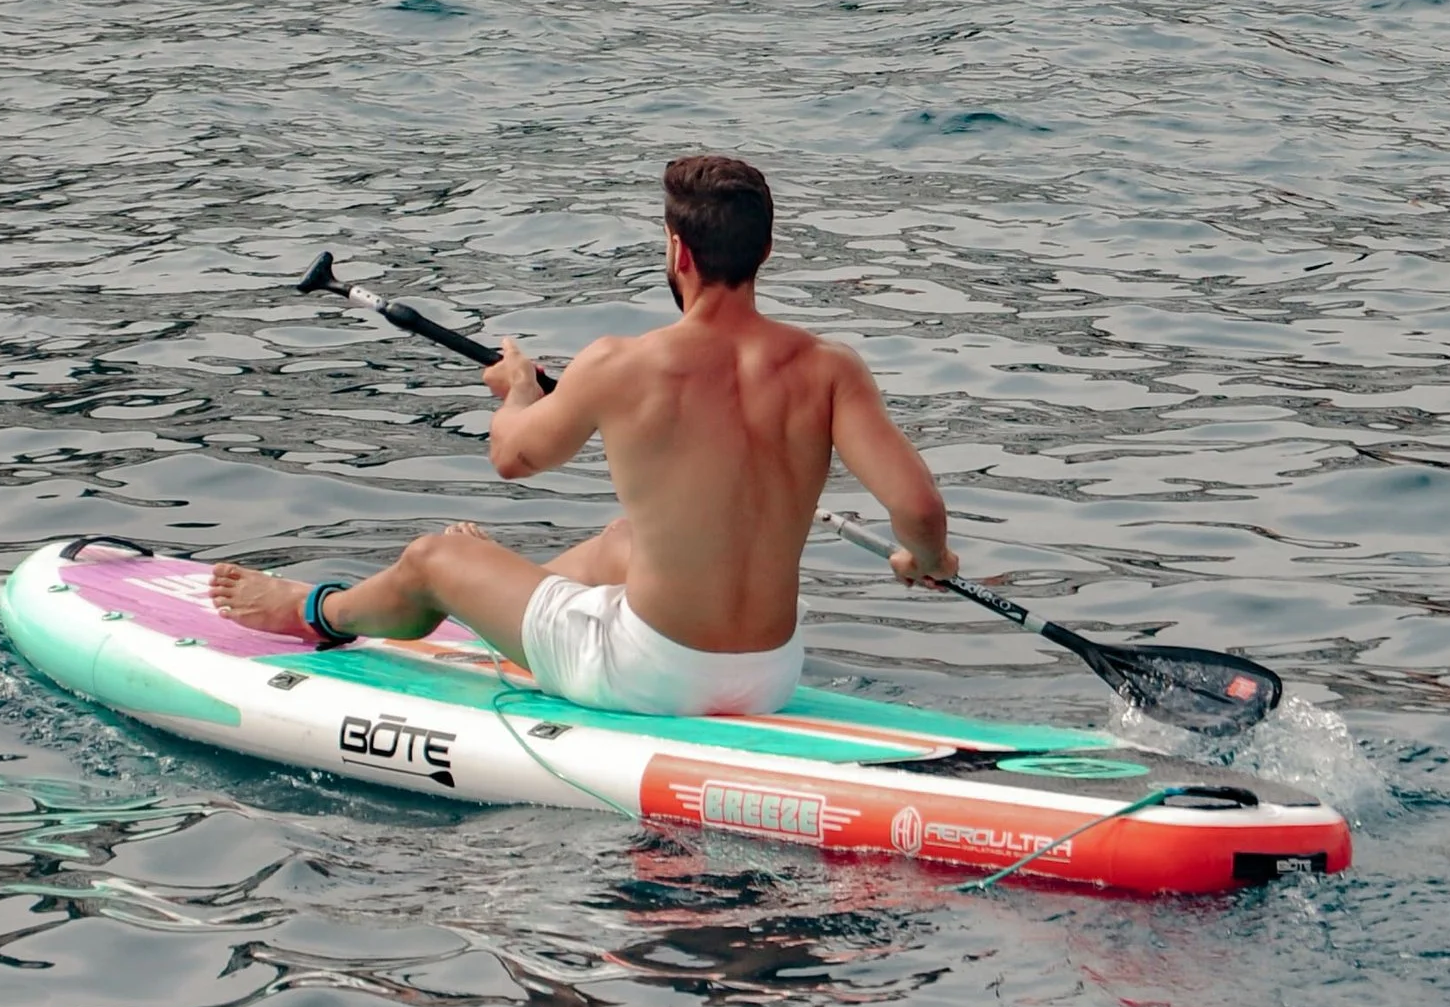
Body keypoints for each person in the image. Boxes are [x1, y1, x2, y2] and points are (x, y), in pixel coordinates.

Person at [210, 152, 955, 718]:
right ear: (764, 251)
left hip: (649, 673)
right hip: (770, 673)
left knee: (436, 557)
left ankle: (317, 611)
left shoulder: (620, 364)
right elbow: (917, 507)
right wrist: (923, 558)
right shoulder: (829, 368)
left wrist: (516, 393)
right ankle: (502, 602)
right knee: (627, 541)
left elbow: (513, 455)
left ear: (679, 253)